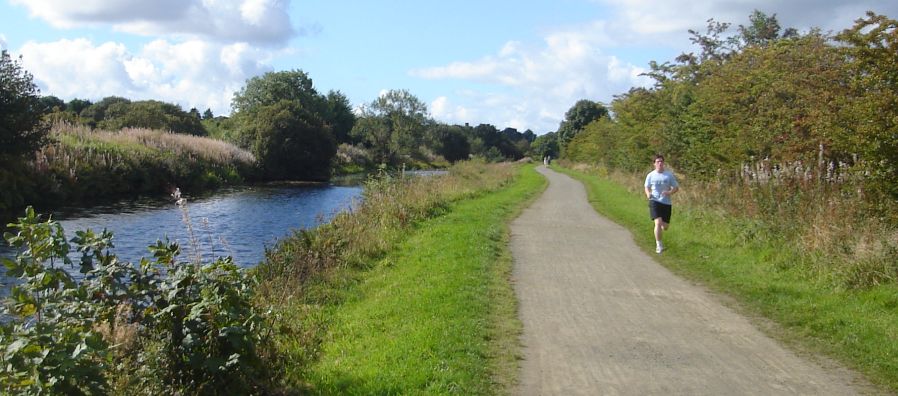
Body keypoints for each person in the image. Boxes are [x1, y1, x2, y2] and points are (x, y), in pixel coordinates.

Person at [644, 154, 679, 254]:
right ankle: (659, 245)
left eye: (661, 162)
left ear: (664, 163)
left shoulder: (669, 175)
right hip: (654, 201)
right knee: (658, 223)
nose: (660, 163)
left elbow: (676, 188)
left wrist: (669, 192)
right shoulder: (650, 175)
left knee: (665, 227)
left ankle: (660, 231)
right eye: (658, 162)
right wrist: (648, 194)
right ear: (654, 164)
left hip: (666, 203)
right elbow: (646, 187)